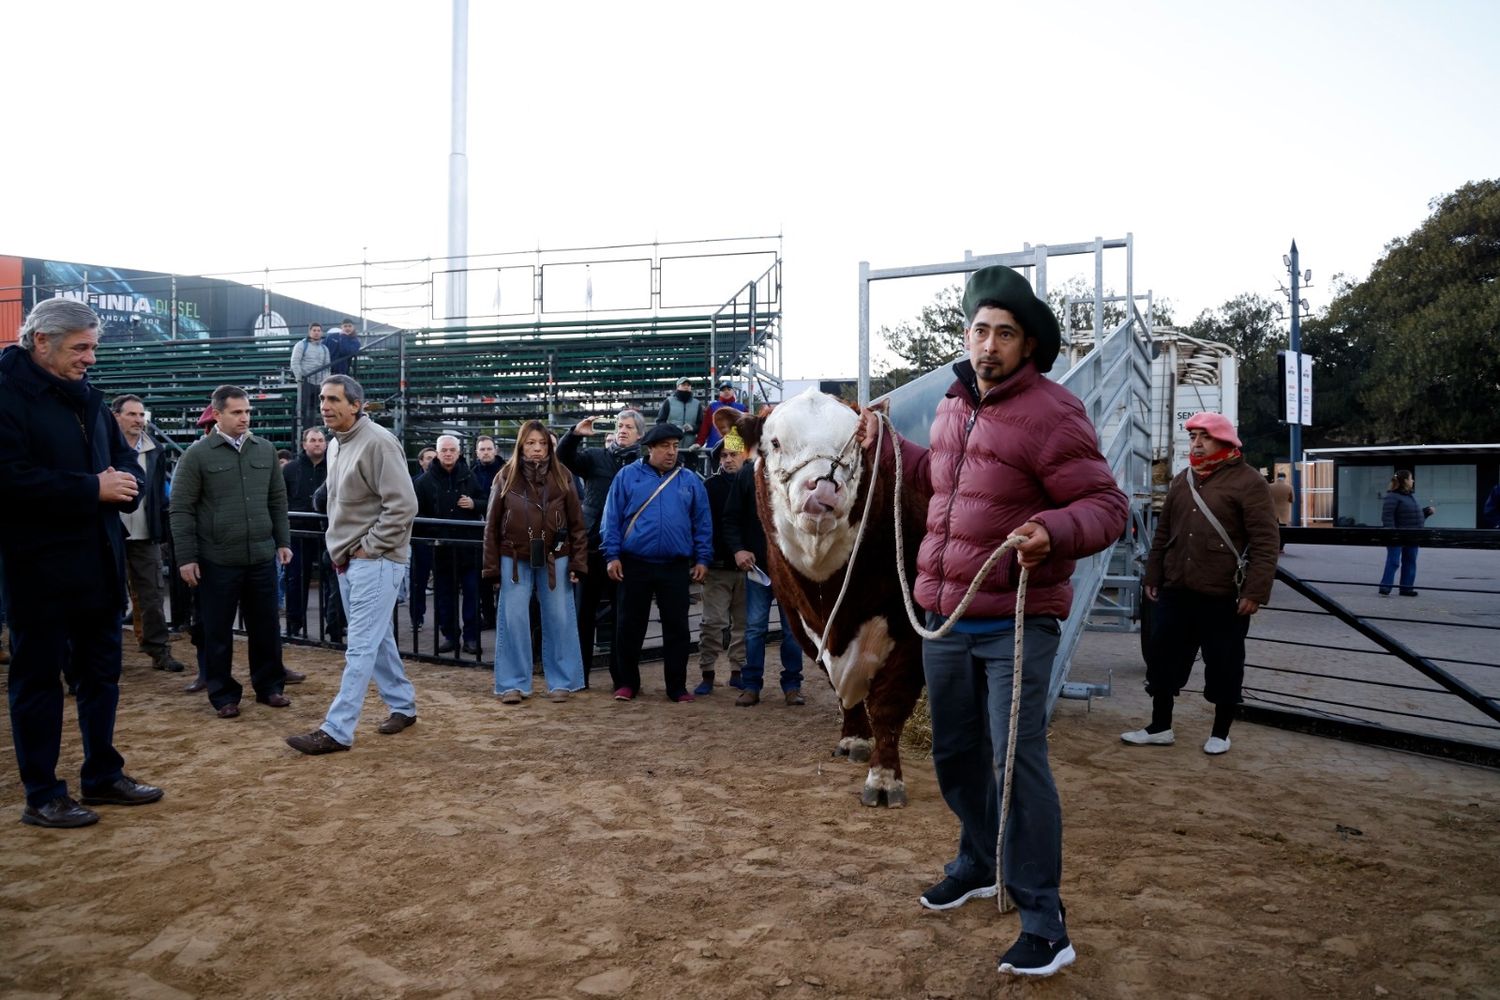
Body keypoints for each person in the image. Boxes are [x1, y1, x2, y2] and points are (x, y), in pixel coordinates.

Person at [855, 265, 1128, 978]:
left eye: (1005, 334)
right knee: (955, 754)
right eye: (979, 330)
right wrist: (889, 446)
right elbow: (938, 480)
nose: (988, 344)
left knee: (1016, 762)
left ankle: (1044, 917)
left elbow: (1107, 506)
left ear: (1028, 346)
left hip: (1016, 618)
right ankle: (979, 861)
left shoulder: (1054, 413)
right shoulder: (952, 405)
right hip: (945, 615)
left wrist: (1053, 530)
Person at [0, 298, 164, 828]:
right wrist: (91, 488)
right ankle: (42, 793)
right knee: (39, 680)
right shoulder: (6, 395)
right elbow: (9, 478)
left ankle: (101, 774)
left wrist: (126, 486)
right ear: (40, 341)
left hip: (98, 561)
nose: (91, 358)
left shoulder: (90, 399)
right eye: (81, 347)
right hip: (37, 567)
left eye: (94, 346)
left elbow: (119, 461)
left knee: (102, 674)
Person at [1124, 411, 1279, 755]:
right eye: (1193, 437)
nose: (1196, 443)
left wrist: (1255, 591)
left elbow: (1266, 541)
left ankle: (1220, 733)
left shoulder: (1249, 482)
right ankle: (1160, 727)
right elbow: (1163, 532)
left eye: (1204, 437)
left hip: (1224, 593)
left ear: (1225, 441)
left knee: (1224, 663)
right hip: (1176, 588)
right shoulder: (1183, 479)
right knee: (1163, 659)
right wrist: (1153, 575)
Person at [286, 375, 420, 754]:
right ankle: (403, 705)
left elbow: (404, 506)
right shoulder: (334, 444)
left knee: (360, 645)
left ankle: (337, 729)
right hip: (349, 558)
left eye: (333, 400)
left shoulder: (379, 442)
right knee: (377, 642)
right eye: (323, 399)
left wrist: (370, 547)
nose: (325, 406)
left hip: (374, 560)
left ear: (356, 405)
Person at [169, 385, 294, 719]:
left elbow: (277, 500)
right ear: (218, 414)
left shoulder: (265, 450)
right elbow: (181, 509)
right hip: (217, 560)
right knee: (217, 631)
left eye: (248, 411)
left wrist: (283, 542)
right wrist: (186, 557)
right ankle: (222, 694)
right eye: (237, 412)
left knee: (266, 627)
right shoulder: (196, 455)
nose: (244, 417)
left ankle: (270, 687)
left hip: (260, 557)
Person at [600, 423, 712, 702]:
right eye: (665, 446)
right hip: (634, 562)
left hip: (674, 565)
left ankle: (677, 686)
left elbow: (702, 522)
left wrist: (703, 557)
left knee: (678, 628)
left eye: (675, 446)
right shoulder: (627, 476)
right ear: (650, 448)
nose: (671, 452)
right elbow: (611, 519)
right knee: (629, 626)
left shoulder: (690, 480)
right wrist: (612, 555)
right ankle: (626, 683)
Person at [482, 420, 590, 703]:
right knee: (513, 619)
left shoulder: (563, 474)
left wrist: (579, 563)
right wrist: (491, 568)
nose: (537, 449)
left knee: (560, 617)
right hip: (513, 556)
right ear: (521, 445)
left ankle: (562, 681)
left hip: (557, 555)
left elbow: (578, 524)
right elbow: (491, 526)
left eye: (542, 443)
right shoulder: (504, 476)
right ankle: (512, 684)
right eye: (531, 443)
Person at [720, 426, 805, 706]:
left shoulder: (798, 473)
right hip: (758, 567)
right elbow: (730, 518)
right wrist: (739, 550)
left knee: (792, 630)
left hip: (789, 567)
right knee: (755, 628)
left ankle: (792, 685)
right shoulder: (747, 474)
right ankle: (752, 684)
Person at [557, 409, 643, 674]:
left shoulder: (644, 464)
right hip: (592, 545)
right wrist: (573, 434)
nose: (622, 430)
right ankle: (578, 673)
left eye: (629, 427)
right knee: (584, 612)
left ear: (639, 434)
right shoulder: (596, 457)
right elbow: (563, 457)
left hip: (627, 549)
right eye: (619, 426)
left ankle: (621, 676)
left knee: (622, 615)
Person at [111, 394, 185, 673]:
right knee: (109, 598)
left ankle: (158, 650)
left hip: (145, 533)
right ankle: (104, 655)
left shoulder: (155, 449)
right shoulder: (101, 446)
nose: (139, 420)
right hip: (109, 534)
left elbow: (157, 494)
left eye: (142, 415)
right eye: (132, 415)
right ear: (116, 416)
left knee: (152, 595)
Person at [414, 434, 483, 655]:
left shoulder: (469, 477)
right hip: (441, 548)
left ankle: (471, 638)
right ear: (437, 452)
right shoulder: (424, 482)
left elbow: (486, 500)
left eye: (452, 450)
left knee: (472, 594)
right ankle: (450, 636)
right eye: (444, 450)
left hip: (468, 547)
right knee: (445, 596)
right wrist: (432, 535)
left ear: (459, 452)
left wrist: (474, 504)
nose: (448, 454)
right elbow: (417, 514)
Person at [693, 434, 749, 695]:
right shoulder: (710, 486)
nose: (727, 459)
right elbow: (702, 525)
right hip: (717, 566)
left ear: (744, 455)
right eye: (723, 456)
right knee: (712, 622)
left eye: (732, 454)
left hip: (748, 567)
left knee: (744, 624)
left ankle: (738, 671)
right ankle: (708, 672)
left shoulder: (754, 482)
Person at [283, 427, 332, 640]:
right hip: (298, 532)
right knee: (295, 580)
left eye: (321, 440)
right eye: (312, 440)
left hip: (328, 532)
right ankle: (294, 625)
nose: (317, 443)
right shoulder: (290, 469)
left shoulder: (335, 467)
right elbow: (280, 499)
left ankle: (335, 626)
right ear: (304, 444)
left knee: (332, 580)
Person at [1379, 470, 1433, 597]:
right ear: (1405, 481)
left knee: (1410, 561)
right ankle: (1385, 587)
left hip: (1412, 535)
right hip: (1397, 535)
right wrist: (1392, 534)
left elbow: (1413, 516)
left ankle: (1406, 588)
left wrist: (1425, 512)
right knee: (1394, 561)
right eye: (1411, 478)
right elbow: (1387, 517)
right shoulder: (1392, 496)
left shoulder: (1410, 496)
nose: (1413, 481)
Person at [472, 435, 502, 630]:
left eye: (488, 449)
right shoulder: (471, 473)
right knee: (483, 577)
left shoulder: (506, 470)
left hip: (503, 530)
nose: (485, 452)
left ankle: (501, 617)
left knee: (505, 575)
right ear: (477, 452)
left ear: (495, 450)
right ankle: (488, 616)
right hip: (480, 532)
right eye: (482, 449)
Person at [408, 446, 438, 632]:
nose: (431, 461)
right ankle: (416, 616)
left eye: (434, 458)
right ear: (420, 461)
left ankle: (442, 620)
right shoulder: (414, 482)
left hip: (438, 536)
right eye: (427, 458)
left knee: (442, 581)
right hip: (421, 537)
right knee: (418, 579)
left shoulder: (444, 481)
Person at [289, 321, 330, 435]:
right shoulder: (301, 345)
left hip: (319, 383)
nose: (316, 333)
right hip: (305, 381)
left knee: (313, 409)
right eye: (314, 330)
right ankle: (304, 433)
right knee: (304, 409)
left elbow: (327, 366)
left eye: (318, 330)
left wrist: (325, 382)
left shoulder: (324, 348)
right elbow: (295, 362)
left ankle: (313, 432)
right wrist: (299, 378)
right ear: (309, 332)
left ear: (321, 332)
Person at [696, 379, 748, 451]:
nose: (726, 391)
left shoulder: (742, 408)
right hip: (715, 448)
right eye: (723, 390)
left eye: (729, 389)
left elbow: (747, 429)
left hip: (735, 449)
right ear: (720, 393)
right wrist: (699, 443)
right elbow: (705, 427)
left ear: (733, 391)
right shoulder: (712, 407)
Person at [657, 378, 704, 449]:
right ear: (677, 387)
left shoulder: (697, 404)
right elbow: (660, 422)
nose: (686, 387)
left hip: (691, 447)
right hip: (671, 446)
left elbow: (701, 425)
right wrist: (673, 428)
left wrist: (693, 428)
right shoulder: (668, 402)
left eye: (688, 385)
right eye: (683, 385)